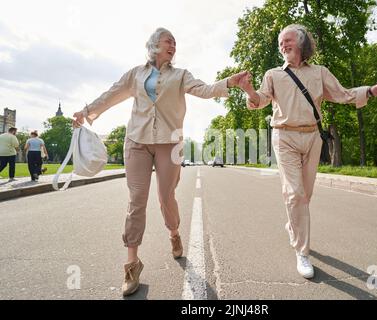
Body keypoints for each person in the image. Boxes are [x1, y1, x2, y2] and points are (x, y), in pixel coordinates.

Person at [72, 27, 247, 296]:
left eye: (175, 43)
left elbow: (203, 89)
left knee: (166, 197)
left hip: (170, 143)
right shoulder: (135, 74)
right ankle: (131, 265)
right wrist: (86, 112)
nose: (173, 46)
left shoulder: (180, 75)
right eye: (169, 41)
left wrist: (229, 83)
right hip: (137, 141)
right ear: (154, 45)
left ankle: (174, 232)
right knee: (136, 200)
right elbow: (112, 94)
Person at [238, 24, 377, 279]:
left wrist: (371, 91)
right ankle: (302, 252)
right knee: (294, 194)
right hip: (284, 136)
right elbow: (260, 101)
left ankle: (294, 224)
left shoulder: (320, 73)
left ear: (302, 43)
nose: (283, 45)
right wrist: (248, 91)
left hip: (313, 137)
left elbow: (344, 95)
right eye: (280, 43)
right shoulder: (273, 74)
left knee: (305, 195)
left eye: (288, 40)